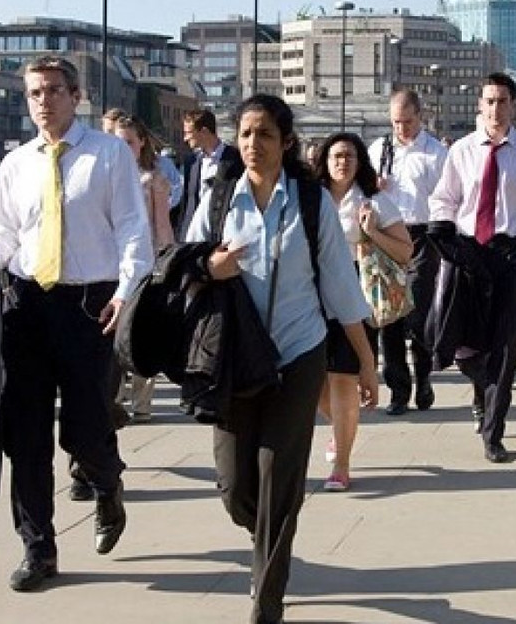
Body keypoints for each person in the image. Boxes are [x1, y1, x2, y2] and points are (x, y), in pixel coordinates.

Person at [186, 94, 379, 624]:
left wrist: (365, 362)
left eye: (265, 134)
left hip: (299, 352)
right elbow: (186, 262)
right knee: (235, 487)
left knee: (280, 472)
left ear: (286, 142)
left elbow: (341, 287)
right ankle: (266, 533)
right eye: (246, 133)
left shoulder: (311, 203)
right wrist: (211, 267)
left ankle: (267, 598)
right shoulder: (220, 198)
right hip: (234, 357)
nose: (253, 144)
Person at [0, 55, 152, 592]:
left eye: (52, 90)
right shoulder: (15, 164)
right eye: (34, 93)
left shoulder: (108, 154)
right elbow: (4, 233)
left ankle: (107, 484)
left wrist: (125, 293)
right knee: (26, 435)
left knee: (85, 428)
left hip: (90, 305)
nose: (43, 101)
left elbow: (133, 230)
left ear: (75, 96)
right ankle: (37, 548)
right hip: (25, 303)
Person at [429, 73, 516, 464]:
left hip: (513, 254)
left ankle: (493, 433)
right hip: (469, 252)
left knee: (505, 346)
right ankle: (483, 388)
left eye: (502, 101)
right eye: (489, 101)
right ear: (480, 105)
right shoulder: (462, 151)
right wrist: (443, 232)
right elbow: (444, 198)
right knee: (460, 343)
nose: (495, 108)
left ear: (513, 106)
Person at [312, 133, 411, 491]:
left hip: (357, 290)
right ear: (324, 161)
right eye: (336, 156)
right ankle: (340, 425)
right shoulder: (312, 198)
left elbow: (405, 251)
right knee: (315, 382)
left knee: (343, 375)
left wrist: (371, 232)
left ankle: (341, 465)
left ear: (360, 162)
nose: (343, 162)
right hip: (311, 291)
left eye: (350, 156)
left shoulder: (374, 200)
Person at [367, 88, 447, 415]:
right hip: (386, 236)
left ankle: (423, 376)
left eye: (407, 122)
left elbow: (447, 198)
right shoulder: (378, 150)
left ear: (420, 116)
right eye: (396, 122)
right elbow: (361, 191)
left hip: (421, 237)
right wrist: (373, 186)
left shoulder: (435, 154)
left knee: (418, 313)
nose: (401, 128)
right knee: (390, 316)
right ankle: (398, 390)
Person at [114, 114, 175, 422]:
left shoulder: (152, 180)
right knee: (113, 332)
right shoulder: (107, 176)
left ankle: (142, 402)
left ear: (141, 144)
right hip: (112, 264)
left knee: (141, 331)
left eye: (129, 142)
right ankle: (113, 398)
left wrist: (167, 260)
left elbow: (162, 225)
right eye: (118, 142)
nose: (123, 148)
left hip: (146, 262)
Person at [177, 107, 242, 238]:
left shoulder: (235, 159)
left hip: (221, 232)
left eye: (188, 133)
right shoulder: (191, 161)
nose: (185, 138)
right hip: (192, 234)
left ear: (204, 132)